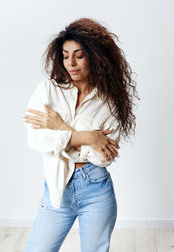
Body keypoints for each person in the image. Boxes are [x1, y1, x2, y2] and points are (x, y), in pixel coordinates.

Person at [22, 18, 139, 252]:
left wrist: (60, 127)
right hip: (57, 188)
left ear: (95, 57)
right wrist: (89, 137)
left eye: (79, 55)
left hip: (96, 188)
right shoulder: (48, 90)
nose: (70, 63)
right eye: (65, 55)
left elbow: (102, 158)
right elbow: (36, 139)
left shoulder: (109, 102)